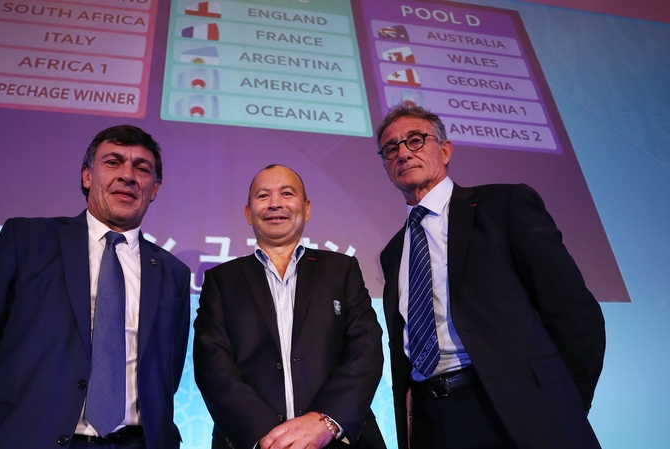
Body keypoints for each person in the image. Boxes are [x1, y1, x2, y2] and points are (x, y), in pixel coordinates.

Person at [0, 125, 191, 449]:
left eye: (142, 168)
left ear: (154, 188)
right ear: (87, 176)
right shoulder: (25, 242)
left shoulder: (173, 273)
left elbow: (166, 377)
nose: (128, 175)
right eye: (113, 162)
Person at [375, 103, 605, 449]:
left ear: (446, 149)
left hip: (515, 411)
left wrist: (561, 405)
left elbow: (574, 316)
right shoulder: (393, 251)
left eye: (416, 140)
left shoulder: (504, 204)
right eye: (391, 148)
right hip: (431, 420)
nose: (403, 152)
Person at [193, 165, 386, 449]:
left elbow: (366, 350)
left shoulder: (341, 269)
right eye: (263, 196)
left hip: (337, 440)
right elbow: (213, 366)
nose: (275, 204)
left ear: (306, 208)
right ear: (248, 213)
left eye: (286, 193)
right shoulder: (222, 280)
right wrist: (268, 438)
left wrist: (324, 421)